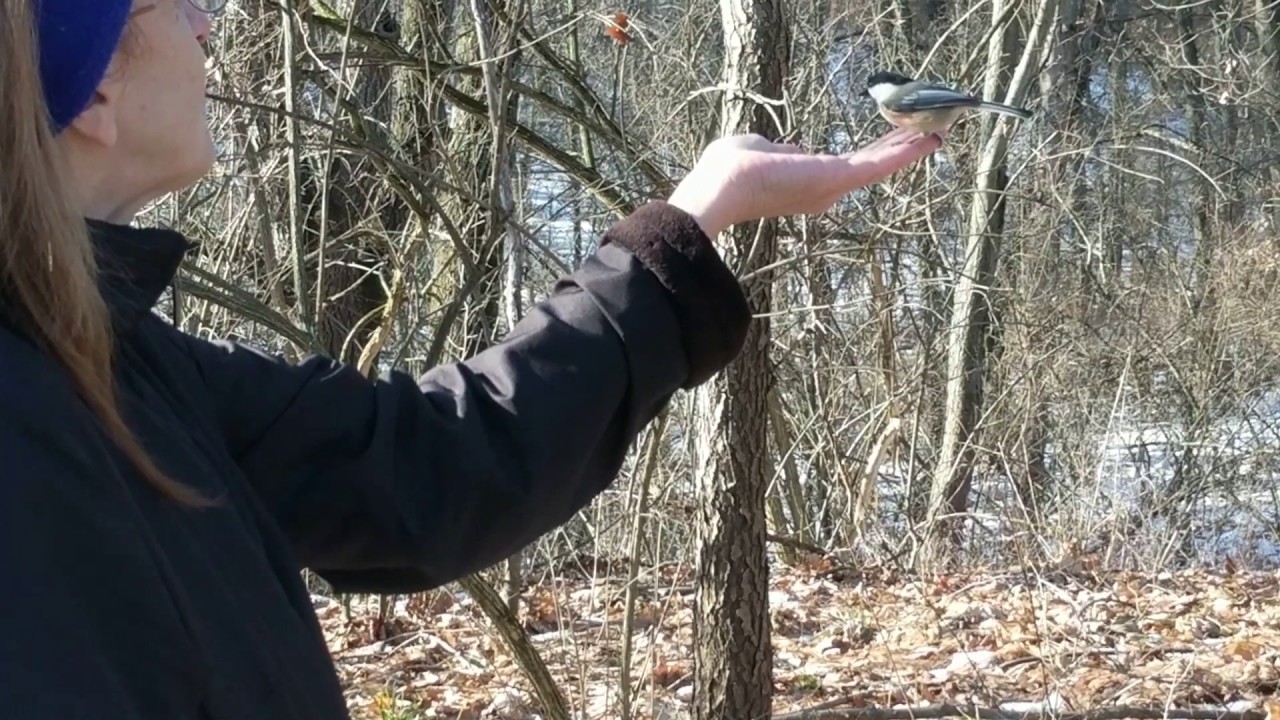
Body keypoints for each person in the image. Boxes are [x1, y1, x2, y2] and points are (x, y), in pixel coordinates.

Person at [0, 0, 941, 716]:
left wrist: (698, 214)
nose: (210, 24)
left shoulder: (124, 364)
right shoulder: (31, 434)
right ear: (95, 91)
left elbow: (429, 464)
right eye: (171, 3)